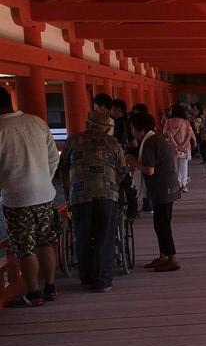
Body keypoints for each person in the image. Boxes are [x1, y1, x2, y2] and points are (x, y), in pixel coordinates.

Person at [0, 86, 60, 307]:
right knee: (46, 241)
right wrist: (43, 179)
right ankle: (50, 287)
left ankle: (34, 294)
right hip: (44, 195)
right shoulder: (37, 122)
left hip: (17, 199)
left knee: (25, 249)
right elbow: (53, 158)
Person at [58, 110, 127, 293]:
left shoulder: (73, 141)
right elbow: (122, 170)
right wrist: (112, 184)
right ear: (106, 128)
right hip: (107, 195)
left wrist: (68, 189)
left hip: (80, 195)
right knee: (105, 237)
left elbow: (63, 169)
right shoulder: (112, 142)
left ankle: (86, 277)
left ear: (88, 124)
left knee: (82, 236)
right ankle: (103, 280)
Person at [128, 112, 182, 271]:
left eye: (132, 128)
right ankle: (163, 256)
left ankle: (172, 258)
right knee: (161, 223)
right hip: (167, 186)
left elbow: (149, 170)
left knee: (162, 225)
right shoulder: (156, 137)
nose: (132, 132)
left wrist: (133, 161)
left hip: (162, 188)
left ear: (140, 129)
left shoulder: (150, 142)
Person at [163, 103, 196, 192]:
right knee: (184, 166)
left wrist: (175, 145)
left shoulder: (168, 121)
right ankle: (184, 185)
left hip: (173, 148)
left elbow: (166, 133)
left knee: (175, 166)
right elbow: (189, 133)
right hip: (184, 147)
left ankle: (177, 184)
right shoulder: (185, 121)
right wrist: (184, 144)